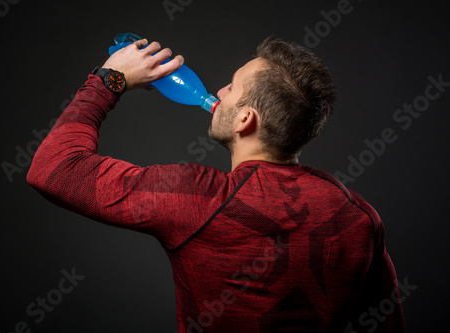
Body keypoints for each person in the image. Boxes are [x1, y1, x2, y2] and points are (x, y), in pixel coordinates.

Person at [27, 36, 405, 332]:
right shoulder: (357, 215)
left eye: (232, 86)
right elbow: (386, 324)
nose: (220, 91)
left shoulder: (199, 199)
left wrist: (108, 79)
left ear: (245, 119)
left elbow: (53, 167)